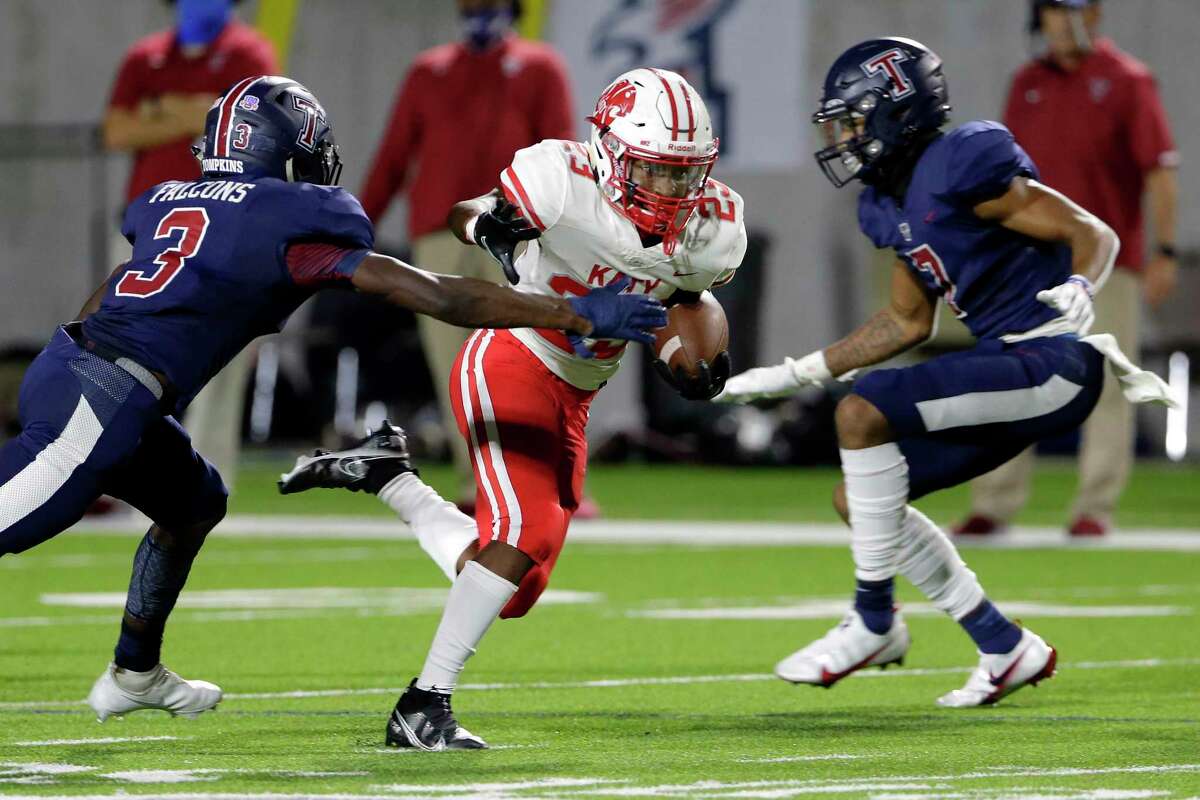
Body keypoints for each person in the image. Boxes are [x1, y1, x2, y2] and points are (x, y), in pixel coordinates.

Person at [0, 76, 664, 724]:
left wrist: (84, 362)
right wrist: (572, 314)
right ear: (285, 149)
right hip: (106, 394)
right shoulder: (292, 219)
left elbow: (118, 284)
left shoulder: (169, 198)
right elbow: (436, 294)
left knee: (194, 502)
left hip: (89, 372)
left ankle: (135, 673)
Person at [280, 68, 746, 749]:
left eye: (684, 174)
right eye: (655, 171)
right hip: (512, 358)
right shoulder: (559, 175)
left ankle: (389, 477)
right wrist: (492, 226)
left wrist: (696, 354)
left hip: (578, 393)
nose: (673, 190)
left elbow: (687, 295)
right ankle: (422, 705)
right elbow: (463, 213)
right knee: (522, 530)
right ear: (612, 152)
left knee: (515, 585)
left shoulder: (714, 225)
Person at [715, 38, 1174, 707]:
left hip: (1052, 357)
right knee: (864, 501)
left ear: (896, 110)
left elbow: (1094, 233)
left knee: (861, 412)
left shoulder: (964, 161)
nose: (842, 136)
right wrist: (796, 371)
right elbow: (906, 323)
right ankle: (1003, 645)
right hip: (1006, 361)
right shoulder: (883, 202)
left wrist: (1081, 285)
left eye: (853, 118)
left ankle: (873, 620)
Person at [956, 0, 1180, 537]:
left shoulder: (1127, 80)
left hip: (1104, 262)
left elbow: (1159, 173)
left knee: (1102, 380)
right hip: (1029, 261)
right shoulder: (1028, 82)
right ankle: (994, 500)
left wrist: (1164, 251)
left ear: (1094, 14)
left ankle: (1094, 508)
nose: (1059, 22)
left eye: (1068, 9)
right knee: (1013, 378)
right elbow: (1008, 178)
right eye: (1051, 11)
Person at [359, 0, 575, 511]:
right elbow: (394, 154)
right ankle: (477, 487)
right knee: (454, 368)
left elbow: (562, 156)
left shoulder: (540, 67)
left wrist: (569, 234)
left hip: (516, 235)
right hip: (438, 237)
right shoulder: (430, 71)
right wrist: (355, 224)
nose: (480, 13)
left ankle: (542, 483)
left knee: (528, 361)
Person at [103, 0, 279, 488]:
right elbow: (117, 130)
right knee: (127, 348)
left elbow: (256, 128)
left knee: (218, 358)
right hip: (147, 227)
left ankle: (205, 477)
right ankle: (122, 472)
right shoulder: (146, 56)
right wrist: (199, 109)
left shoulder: (249, 52)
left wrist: (162, 110)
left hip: (223, 223)